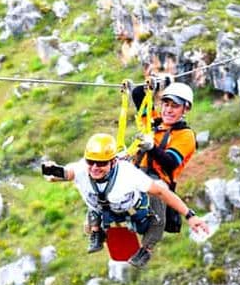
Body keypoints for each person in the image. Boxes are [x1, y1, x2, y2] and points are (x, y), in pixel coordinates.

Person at [43, 133, 209, 268]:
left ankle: (147, 249)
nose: (94, 168)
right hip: (103, 212)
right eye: (91, 162)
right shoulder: (81, 169)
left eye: (100, 163)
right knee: (92, 213)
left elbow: (161, 192)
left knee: (157, 212)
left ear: (113, 162)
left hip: (133, 212)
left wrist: (190, 215)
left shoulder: (127, 174)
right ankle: (96, 232)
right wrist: (53, 172)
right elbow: (67, 173)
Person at [133, 81, 197, 234]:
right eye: (166, 105)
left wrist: (152, 148)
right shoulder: (155, 123)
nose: (168, 110)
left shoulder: (185, 135)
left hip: (158, 181)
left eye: (175, 106)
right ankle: (98, 225)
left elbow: (170, 162)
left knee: (152, 196)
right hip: (139, 174)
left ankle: (147, 234)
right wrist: (154, 84)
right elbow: (138, 94)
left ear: (185, 109)